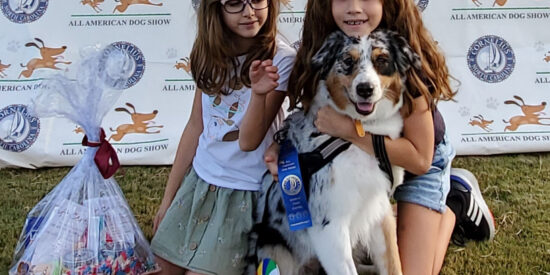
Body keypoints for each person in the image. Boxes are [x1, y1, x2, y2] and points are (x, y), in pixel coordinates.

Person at [263, 0, 495, 274]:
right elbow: (308, 112)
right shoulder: (322, 47)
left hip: (417, 158)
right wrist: (283, 143)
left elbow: (420, 159)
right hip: (359, 158)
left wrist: (351, 131)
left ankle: (456, 201)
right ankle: (400, 217)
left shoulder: (403, 54)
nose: (354, 8)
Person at [150, 0, 295, 274]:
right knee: (159, 267)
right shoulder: (207, 53)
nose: (249, 11)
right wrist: (168, 200)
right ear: (214, 9)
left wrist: (259, 93)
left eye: (257, 0)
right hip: (199, 185)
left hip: (244, 194)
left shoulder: (280, 59)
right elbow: (195, 126)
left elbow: (249, 141)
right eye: (234, 3)